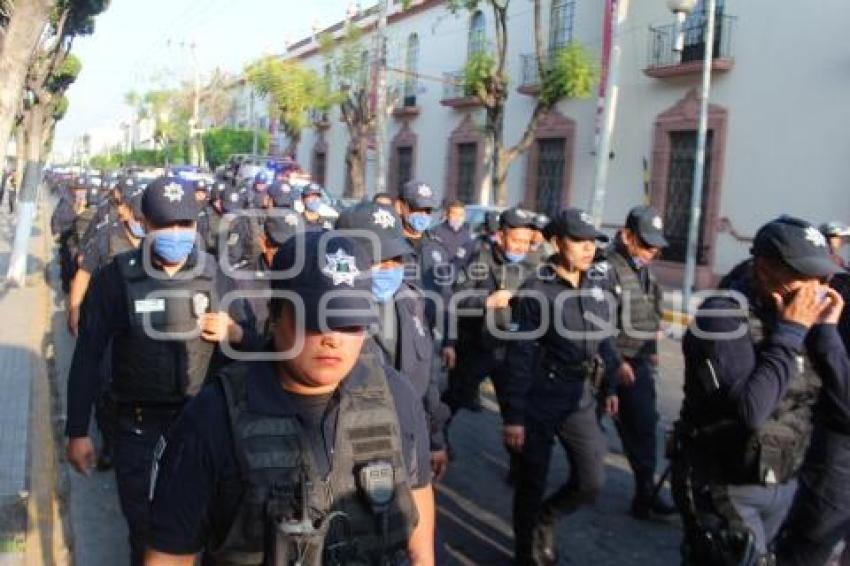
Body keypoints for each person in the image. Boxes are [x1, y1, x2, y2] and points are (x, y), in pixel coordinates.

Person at [146, 231, 436, 565]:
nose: (333, 339)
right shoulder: (213, 417)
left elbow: (416, 500)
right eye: (317, 320)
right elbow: (170, 554)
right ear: (275, 315)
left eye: (350, 323)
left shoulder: (396, 395)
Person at [64, 176, 254, 565]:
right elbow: (87, 355)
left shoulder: (217, 274)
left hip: (204, 426)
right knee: (149, 536)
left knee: (206, 531)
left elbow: (258, 345)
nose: (175, 233)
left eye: (184, 224)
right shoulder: (116, 278)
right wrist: (77, 431)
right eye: (164, 224)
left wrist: (234, 332)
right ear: (144, 223)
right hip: (138, 430)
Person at [670, 216, 846, 564]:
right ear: (765, 269)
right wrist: (792, 331)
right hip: (725, 485)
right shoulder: (722, 318)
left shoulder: (808, 322)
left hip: (782, 480)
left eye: (820, 277)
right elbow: (750, 411)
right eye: (803, 275)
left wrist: (826, 335)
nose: (814, 288)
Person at [502, 208, 620, 565]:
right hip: (541, 395)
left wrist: (611, 385)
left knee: (592, 479)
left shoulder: (596, 284)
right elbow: (519, 354)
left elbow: (605, 340)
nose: (588, 248)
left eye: (593, 241)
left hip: (580, 395)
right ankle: (525, 554)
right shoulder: (537, 290)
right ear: (556, 242)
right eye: (579, 241)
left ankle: (547, 517)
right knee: (530, 483)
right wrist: (514, 416)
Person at [336, 201, 451, 480]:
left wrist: (435, 440)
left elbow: (428, 377)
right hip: (351, 457)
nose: (388, 269)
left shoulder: (411, 301)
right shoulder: (326, 317)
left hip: (409, 444)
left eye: (395, 260)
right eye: (377, 260)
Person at [603, 205, 677, 519]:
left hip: (636, 362)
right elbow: (597, 324)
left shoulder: (643, 269)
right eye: (646, 245)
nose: (652, 252)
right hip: (603, 364)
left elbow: (651, 309)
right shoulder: (605, 269)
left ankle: (644, 494)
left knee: (644, 427)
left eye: (656, 246)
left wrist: (649, 349)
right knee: (580, 435)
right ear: (626, 236)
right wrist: (615, 363)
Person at [443, 207, 538, 417]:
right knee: (453, 400)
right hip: (476, 347)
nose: (521, 247)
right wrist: (487, 301)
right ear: (501, 236)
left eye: (527, 242)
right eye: (516, 241)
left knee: (516, 411)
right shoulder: (478, 258)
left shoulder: (531, 267)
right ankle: (436, 444)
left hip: (512, 350)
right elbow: (456, 300)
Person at [394, 180, 454, 369]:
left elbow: (446, 297)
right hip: (394, 336)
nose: (422, 215)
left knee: (430, 394)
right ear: (400, 206)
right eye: (417, 209)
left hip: (427, 335)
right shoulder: (388, 246)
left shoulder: (437, 248)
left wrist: (449, 342)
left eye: (427, 211)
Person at [432, 199, 473, 268]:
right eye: (454, 214)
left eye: (461, 215)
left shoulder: (466, 235)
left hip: (458, 275)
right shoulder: (436, 232)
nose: (458, 218)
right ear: (447, 215)